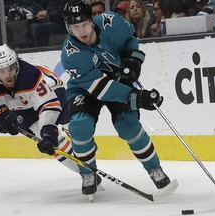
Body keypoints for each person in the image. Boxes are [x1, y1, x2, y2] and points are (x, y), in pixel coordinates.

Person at [61, 0, 171, 197]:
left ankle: (155, 168)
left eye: (84, 24)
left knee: (128, 124)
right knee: (79, 126)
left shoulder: (110, 22)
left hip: (117, 80)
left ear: (92, 21)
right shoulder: (70, 54)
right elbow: (102, 89)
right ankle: (88, 173)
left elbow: (131, 38)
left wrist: (133, 61)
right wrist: (139, 98)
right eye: (75, 27)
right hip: (86, 88)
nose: (82, 31)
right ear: (68, 28)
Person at [0, 44, 80, 174]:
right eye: (1, 71)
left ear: (16, 64)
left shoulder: (30, 74)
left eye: (11, 68)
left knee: (66, 128)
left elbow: (49, 103)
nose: (7, 75)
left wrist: (48, 130)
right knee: (47, 139)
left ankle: (81, 146)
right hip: (23, 103)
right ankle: (85, 173)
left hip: (53, 90)